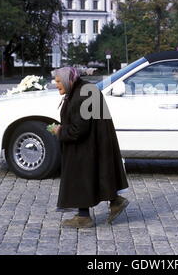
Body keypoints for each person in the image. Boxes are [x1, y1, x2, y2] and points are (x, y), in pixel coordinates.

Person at [51, 67, 129, 228]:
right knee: (97, 172)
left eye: (59, 81)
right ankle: (115, 201)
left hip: (88, 143)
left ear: (68, 80)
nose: (56, 84)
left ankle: (84, 217)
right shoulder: (83, 89)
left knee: (81, 175)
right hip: (96, 142)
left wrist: (60, 130)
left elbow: (79, 129)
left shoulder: (82, 93)